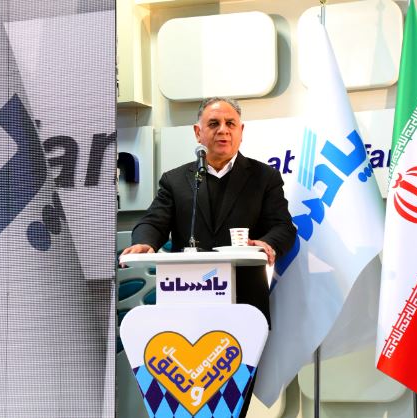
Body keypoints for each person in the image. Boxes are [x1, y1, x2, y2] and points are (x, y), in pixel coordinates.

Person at [121, 96, 296, 417]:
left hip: (243, 305)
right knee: (183, 403)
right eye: (213, 124)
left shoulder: (264, 178)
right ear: (197, 132)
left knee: (231, 404)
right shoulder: (176, 180)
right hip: (184, 307)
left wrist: (266, 243)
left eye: (230, 124)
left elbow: (283, 227)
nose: (223, 130)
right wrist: (145, 242)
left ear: (241, 131)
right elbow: (154, 221)